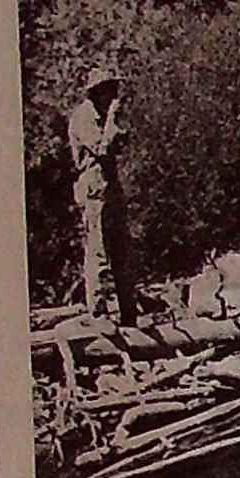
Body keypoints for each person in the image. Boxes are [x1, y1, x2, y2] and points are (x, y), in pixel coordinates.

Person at [68, 68, 137, 325]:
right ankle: (99, 313)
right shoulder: (83, 117)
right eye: (108, 90)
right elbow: (102, 148)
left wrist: (117, 126)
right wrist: (112, 121)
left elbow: (120, 144)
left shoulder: (104, 117)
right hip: (94, 188)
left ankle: (129, 314)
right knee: (98, 251)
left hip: (110, 185)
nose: (112, 95)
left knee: (122, 251)